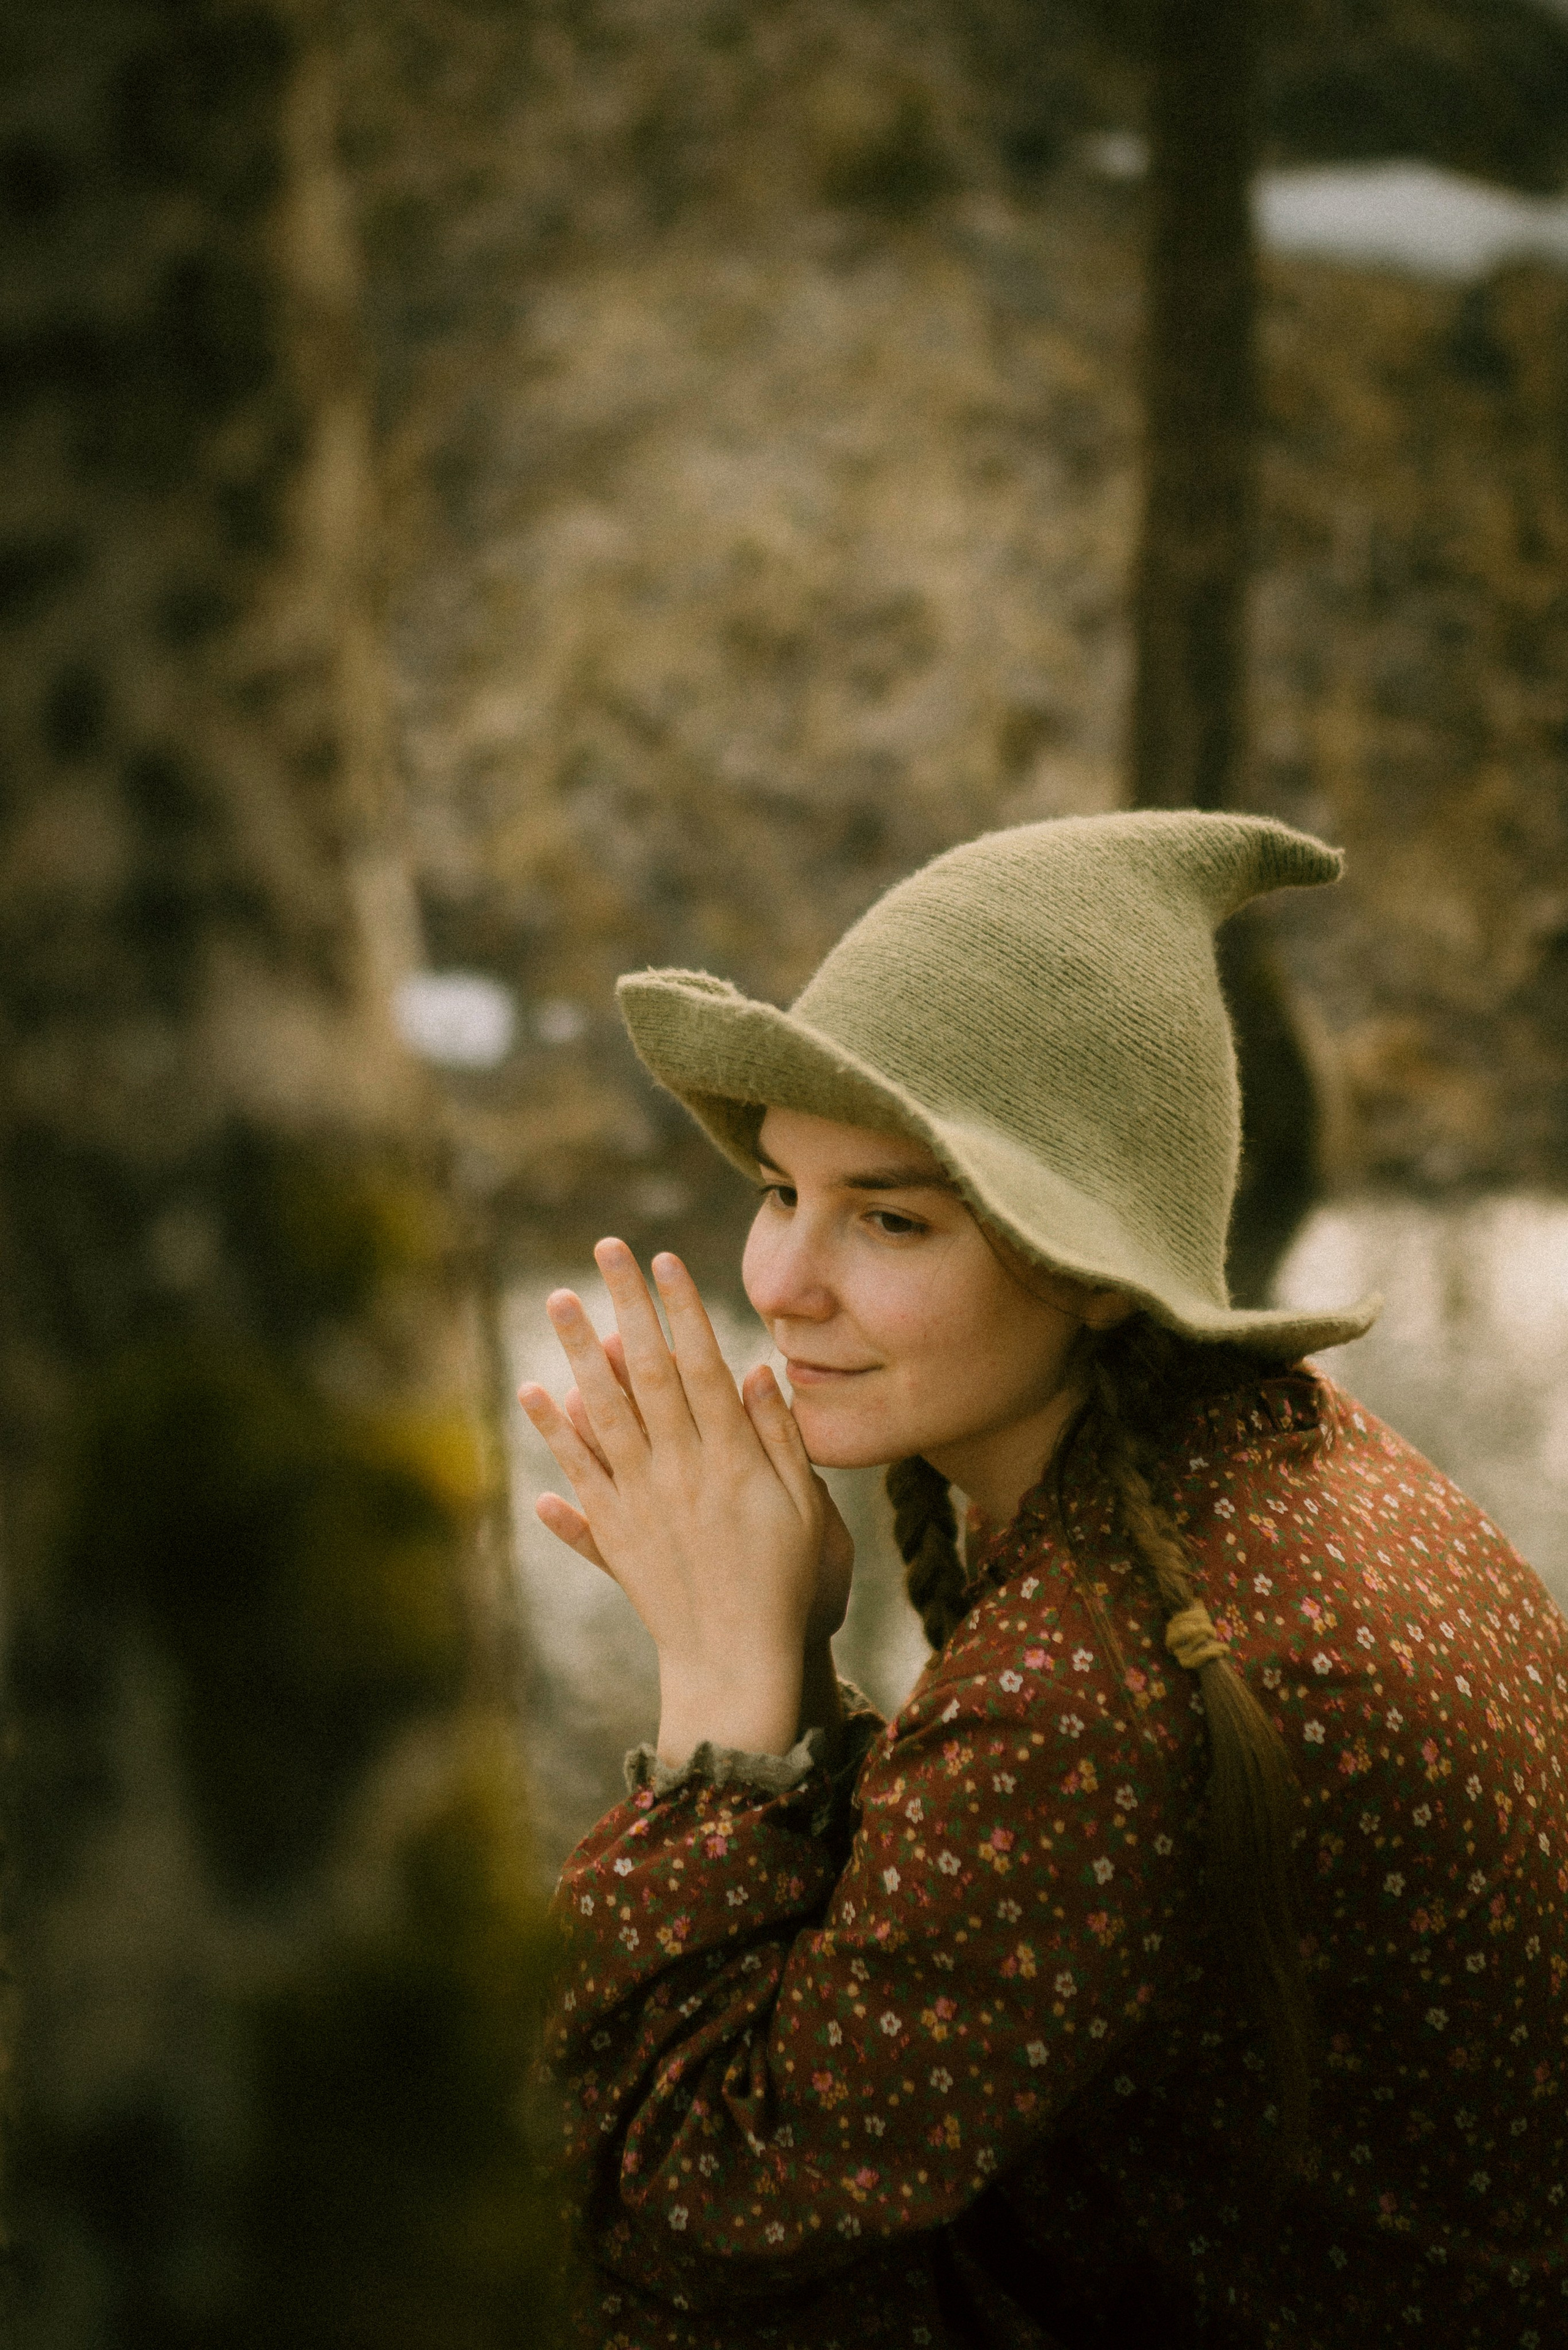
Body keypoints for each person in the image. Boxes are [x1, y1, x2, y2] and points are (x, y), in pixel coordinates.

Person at [521, 813, 1567, 2350]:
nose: (780, 1282)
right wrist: (794, 1669)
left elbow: (672, 2205)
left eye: (887, 1216)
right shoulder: (1283, 1457)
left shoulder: (1096, 1677)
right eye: (779, 1189)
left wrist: (721, 1686)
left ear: (1087, 1264)